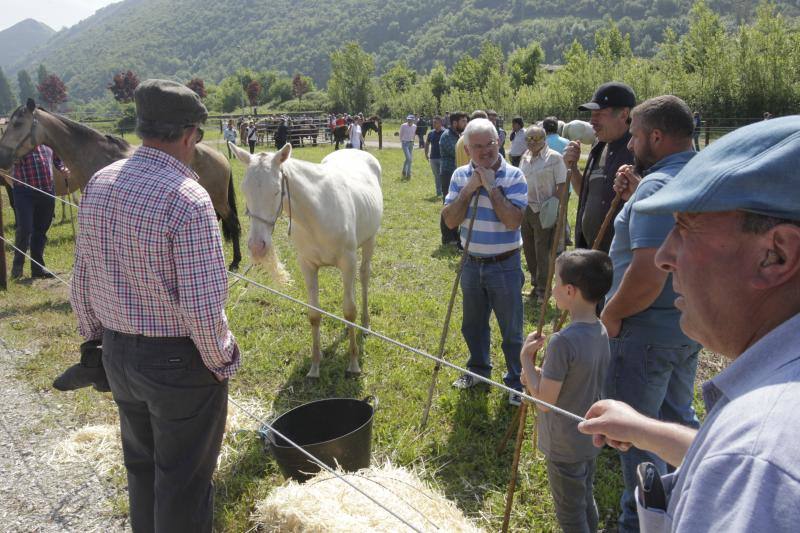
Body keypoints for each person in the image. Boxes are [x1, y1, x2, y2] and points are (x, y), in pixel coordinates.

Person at [578, 115, 800, 532]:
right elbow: (720, 453)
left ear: (777, 255)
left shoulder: (759, 461)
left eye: (685, 228)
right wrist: (643, 429)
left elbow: (744, 460)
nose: (665, 254)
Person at [69, 79, 240, 533]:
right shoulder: (188, 198)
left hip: (119, 354)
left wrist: (94, 339)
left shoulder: (100, 184)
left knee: (142, 470)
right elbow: (203, 309)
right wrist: (223, 361)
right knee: (184, 483)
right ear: (188, 135)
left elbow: (81, 280)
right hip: (177, 364)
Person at [601, 95, 702, 532]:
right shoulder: (698, 174)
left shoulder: (660, 189)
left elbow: (647, 273)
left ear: (656, 137)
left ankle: (640, 522)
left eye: (637, 135)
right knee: (679, 425)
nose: (632, 144)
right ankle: (689, 512)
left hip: (644, 332)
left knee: (640, 444)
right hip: (685, 325)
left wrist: (612, 314)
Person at [520, 249, 613, 533]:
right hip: (588, 439)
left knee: (570, 515)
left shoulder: (563, 342)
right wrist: (537, 377)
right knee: (585, 498)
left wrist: (525, 360)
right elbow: (574, 381)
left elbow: (546, 403)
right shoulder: (601, 331)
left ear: (570, 291)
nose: (552, 289)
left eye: (556, 283)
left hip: (564, 445)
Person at [443, 118, 528, 406]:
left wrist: (491, 188)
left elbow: (513, 221)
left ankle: (517, 381)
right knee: (473, 324)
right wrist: (469, 189)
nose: (484, 152)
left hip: (505, 263)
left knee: (512, 329)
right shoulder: (458, 177)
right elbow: (451, 221)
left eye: (489, 144)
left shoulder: (514, 176)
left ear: (499, 142)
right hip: (470, 262)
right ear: (467, 149)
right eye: (476, 146)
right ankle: (478, 370)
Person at [563, 82, 635, 252]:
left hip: (619, 257)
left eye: (600, 113)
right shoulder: (599, 145)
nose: (592, 121)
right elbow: (585, 194)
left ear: (624, 114)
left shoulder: (638, 151)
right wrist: (572, 169)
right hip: (590, 253)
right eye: (592, 114)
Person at [519, 125, 568, 302]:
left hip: (544, 210)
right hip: (526, 209)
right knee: (529, 249)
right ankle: (535, 285)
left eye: (535, 138)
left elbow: (562, 185)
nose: (531, 142)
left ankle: (544, 290)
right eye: (528, 139)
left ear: (544, 139)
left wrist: (552, 206)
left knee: (543, 251)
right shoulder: (525, 156)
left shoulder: (554, 158)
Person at [10, 141, 69, 279]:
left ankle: (37, 268)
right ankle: (17, 267)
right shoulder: (19, 144)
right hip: (24, 192)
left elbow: (57, 160)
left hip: (47, 190)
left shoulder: (47, 143)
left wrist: (62, 169)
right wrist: (15, 158)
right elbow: (7, 160)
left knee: (41, 230)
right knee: (25, 228)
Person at [438, 111, 468, 246]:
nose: (465, 124)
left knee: (458, 204)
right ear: (455, 123)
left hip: (456, 174)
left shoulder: (458, 136)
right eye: (463, 121)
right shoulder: (446, 136)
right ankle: (447, 237)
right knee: (449, 205)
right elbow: (456, 153)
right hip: (448, 173)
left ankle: (455, 236)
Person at [425, 116, 445, 197]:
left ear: (440, 123)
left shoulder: (445, 133)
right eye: (433, 122)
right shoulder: (431, 133)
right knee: (437, 176)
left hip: (443, 158)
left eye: (435, 123)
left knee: (443, 176)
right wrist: (426, 153)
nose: (433, 124)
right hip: (433, 158)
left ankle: (445, 191)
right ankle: (439, 192)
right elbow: (427, 143)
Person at [399, 114, 417, 178]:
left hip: (411, 143)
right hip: (405, 143)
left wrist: (413, 141)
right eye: (408, 119)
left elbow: (414, 134)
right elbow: (400, 134)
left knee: (408, 159)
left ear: (413, 120)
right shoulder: (403, 125)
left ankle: (404, 171)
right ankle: (408, 174)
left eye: (411, 120)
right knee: (409, 159)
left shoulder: (415, 126)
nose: (409, 121)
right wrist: (402, 141)